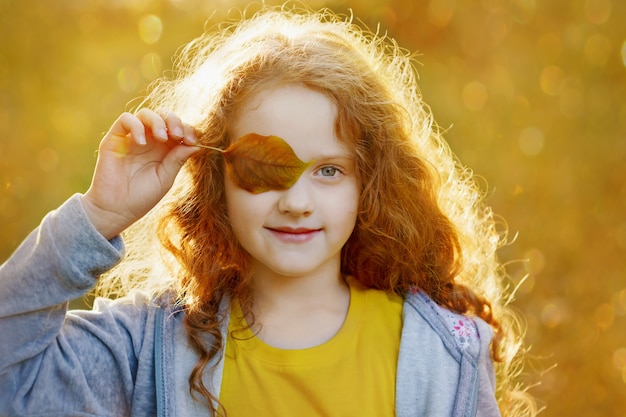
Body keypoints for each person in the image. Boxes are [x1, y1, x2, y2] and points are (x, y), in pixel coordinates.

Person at [0, 5, 535, 417]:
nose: (296, 203)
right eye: (264, 169)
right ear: (217, 181)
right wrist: (98, 216)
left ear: (367, 183)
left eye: (329, 170)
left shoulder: (443, 355)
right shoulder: (147, 350)